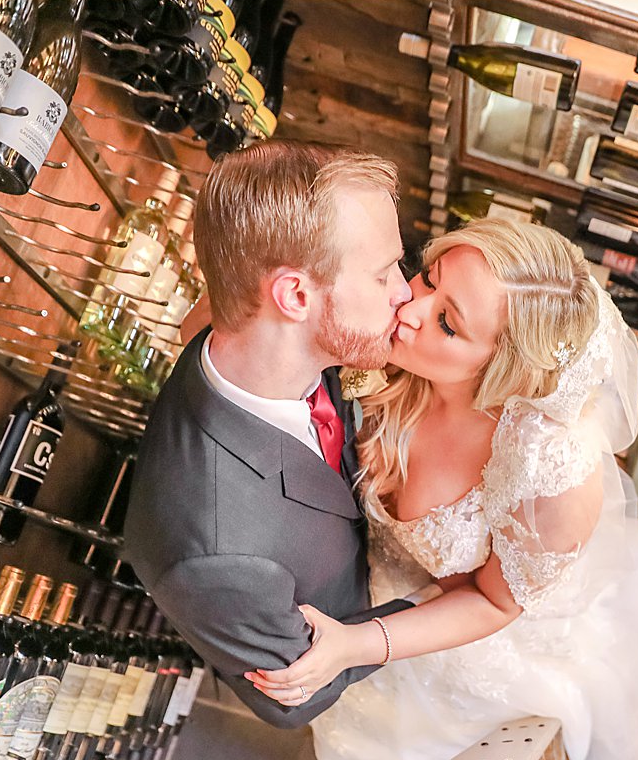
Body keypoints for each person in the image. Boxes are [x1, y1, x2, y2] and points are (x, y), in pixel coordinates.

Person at [250, 218, 638, 760]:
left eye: (448, 323)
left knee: (378, 740)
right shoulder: (398, 339)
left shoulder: (550, 476)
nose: (409, 307)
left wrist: (357, 645)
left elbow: (494, 600)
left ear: (504, 370)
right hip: (352, 562)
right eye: (429, 279)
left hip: (454, 626)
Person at [122, 140, 419, 728]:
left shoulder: (239, 330)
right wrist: (425, 608)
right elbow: (296, 700)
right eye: (384, 273)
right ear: (296, 296)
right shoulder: (216, 554)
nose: (405, 292)